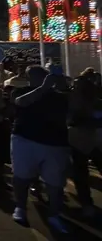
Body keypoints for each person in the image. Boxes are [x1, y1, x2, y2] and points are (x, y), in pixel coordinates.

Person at [11, 66, 69, 233]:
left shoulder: (60, 95)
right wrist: (43, 88)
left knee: (55, 183)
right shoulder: (21, 91)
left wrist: (64, 88)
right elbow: (20, 102)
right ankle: (20, 208)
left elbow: (75, 109)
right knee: (21, 177)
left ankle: (54, 214)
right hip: (25, 139)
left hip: (56, 143)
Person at [68, 68, 102, 218]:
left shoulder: (74, 98)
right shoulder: (89, 99)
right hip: (87, 137)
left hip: (81, 138)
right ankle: (86, 204)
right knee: (81, 172)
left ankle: (87, 204)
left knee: (81, 173)